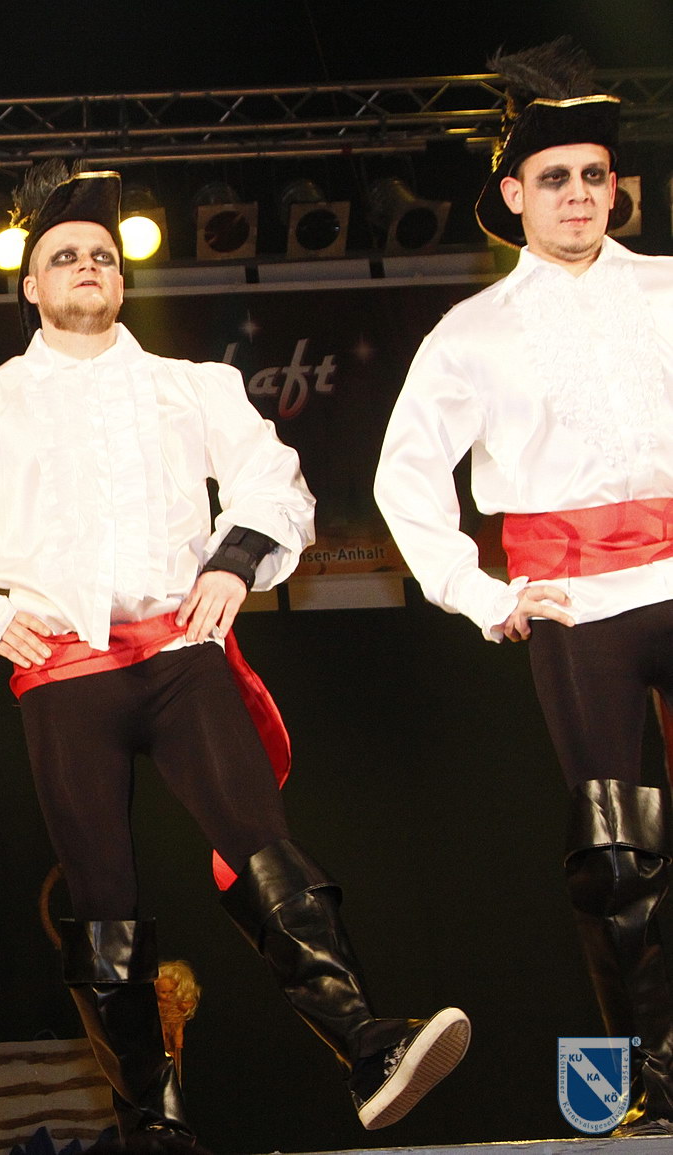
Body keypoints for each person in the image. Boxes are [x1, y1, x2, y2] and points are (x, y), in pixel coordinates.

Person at [0, 163, 469, 1145]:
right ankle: (153, 1119)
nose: (88, 267)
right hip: (64, 669)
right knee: (102, 901)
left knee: (261, 840)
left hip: (180, 650)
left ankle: (366, 1042)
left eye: (103, 256)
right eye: (66, 255)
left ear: (122, 278)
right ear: (31, 284)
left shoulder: (190, 388)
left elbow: (273, 480)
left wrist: (234, 562)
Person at [375, 39, 673, 1136]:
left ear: (615, 186)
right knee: (614, 852)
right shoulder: (473, 333)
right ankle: (655, 1076)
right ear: (513, 195)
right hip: (576, 602)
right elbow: (405, 473)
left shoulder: (668, 290)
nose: (578, 194)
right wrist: (480, 591)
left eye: (594, 175)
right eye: (555, 178)